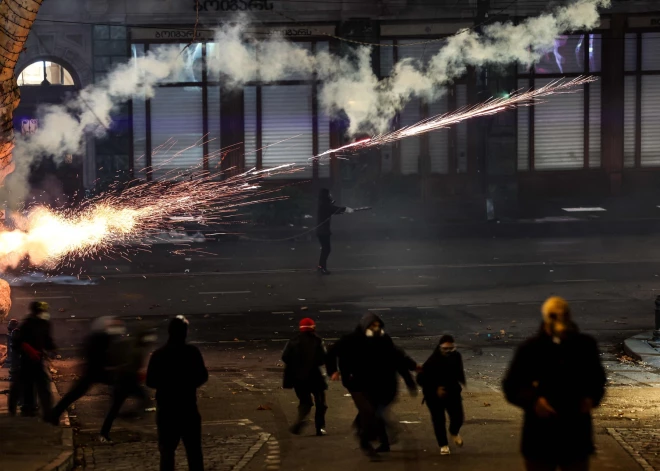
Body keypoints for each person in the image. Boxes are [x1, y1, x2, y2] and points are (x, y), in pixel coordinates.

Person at [502, 297, 606, 471]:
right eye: (554, 315)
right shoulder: (531, 348)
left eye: (563, 315)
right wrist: (534, 401)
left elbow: (597, 379)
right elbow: (512, 385)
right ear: (546, 318)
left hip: (574, 429)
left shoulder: (584, 345)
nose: (559, 320)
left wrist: (591, 397)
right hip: (541, 433)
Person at [326, 312, 418, 459]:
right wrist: (333, 371)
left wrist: (411, 372)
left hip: (379, 384)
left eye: (377, 325)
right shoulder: (351, 340)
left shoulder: (383, 340)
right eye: (372, 325)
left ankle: (379, 439)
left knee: (373, 413)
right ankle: (366, 443)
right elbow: (332, 352)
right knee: (369, 413)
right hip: (357, 383)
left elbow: (397, 357)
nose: (376, 328)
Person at [147, 315, 208, 471]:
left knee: (167, 453)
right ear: (185, 332)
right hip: (188, 407)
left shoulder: (159, 354)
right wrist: (188, 384)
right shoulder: (192, 352)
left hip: (167, 409)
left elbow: (150, 381)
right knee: (194, 452)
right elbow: (202, 376)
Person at [49, 316, 126, 425]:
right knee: (119, 388)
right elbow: (105, 354)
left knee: (75, 393)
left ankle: (54, 414)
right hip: (96, 371)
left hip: (95, 370)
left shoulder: (101, 337)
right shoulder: (102, 338)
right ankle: (115, 411)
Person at [100, 327, 157, 442]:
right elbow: (130, 368)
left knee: (116, 408)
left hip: (124, 381)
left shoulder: (134, 346)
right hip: (127, 382)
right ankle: (124, 418)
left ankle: (106, 431)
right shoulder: (137, 350)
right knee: (143, 401)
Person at [417, 334, 466, 456]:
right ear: (440, 348)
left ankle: (454, 432)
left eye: (451, 348)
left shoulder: (456, 356)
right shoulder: (433, 361)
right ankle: (443, 445)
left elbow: (457, 371)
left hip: (452, 392)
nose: (448, 351)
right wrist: (435, 388)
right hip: (433, 396)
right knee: (439, 420)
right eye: (445, 349)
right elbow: (421, 379)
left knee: (458, 416)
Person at [282, 318, 328, 436]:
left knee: (305, 402)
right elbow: (322, 358)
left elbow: (285, 357)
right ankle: (320, 427)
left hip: (298, 378)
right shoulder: (317, 341)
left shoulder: (293, 341)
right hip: (315, 377)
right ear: (313, 327)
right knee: (320, 403)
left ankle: (300, 420)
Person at [12, 301, 56, 419]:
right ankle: (35, 409)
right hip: (29, 360)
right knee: (35, 385)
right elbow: (19, 342)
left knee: (34, 385)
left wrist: (51, 349)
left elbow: (46, 339)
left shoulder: (38, 323)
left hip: (34, 359)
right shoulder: (31, 324)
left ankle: (38, 409)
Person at [316, 188, 353, 275]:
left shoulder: (323, 204)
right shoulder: (325, 205)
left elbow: (332, 210)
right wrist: (346, 209)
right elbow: (334, 209)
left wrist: (341, 210)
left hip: (322, 231)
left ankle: (321, 266)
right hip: (323, 231)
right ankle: (322, 267)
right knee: (326, 249)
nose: (331, 195)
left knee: (325, 249)